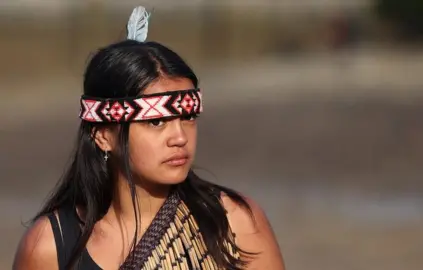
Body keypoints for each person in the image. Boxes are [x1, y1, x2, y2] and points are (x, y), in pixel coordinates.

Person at [12, 6, 285, 270]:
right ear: (104, 135)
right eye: (155, 122)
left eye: (188, 118)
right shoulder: (50, 248)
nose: (179, 137)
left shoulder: (233, 224)